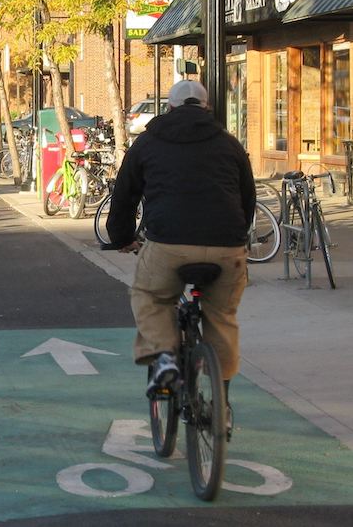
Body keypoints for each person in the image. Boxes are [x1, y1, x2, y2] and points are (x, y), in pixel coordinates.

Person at [106, 80, 255, 414]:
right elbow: (247, 197)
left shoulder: (148, 142)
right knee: (222, 316)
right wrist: (236, 237)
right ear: (206, 108)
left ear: (169, 108)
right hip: (226, 247)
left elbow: (125, 195)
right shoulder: (229, 144)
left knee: (151, 296)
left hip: (168, 244)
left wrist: (122, 237)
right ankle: (222, 403)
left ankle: (165, 358)